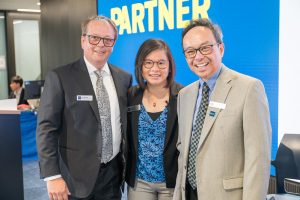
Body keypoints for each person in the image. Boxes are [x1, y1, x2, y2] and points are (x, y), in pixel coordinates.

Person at [173, 18, 271, 200]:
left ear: (221, 48)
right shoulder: (185, 95)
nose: (198, 57)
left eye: (205, 48)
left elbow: (258, 159)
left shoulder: (249, 88)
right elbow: (184, 153)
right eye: (190, 51)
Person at [36, 15, 132, 200]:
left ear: (113, 44)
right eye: (94, 37)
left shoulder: (123, 79)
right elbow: (46, 129)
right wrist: (52, 176)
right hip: (73, 179)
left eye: (108, 40)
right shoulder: (60, 77)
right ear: (83, 40)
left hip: (112, 176)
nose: (100, 44)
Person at [126, 39, 183, 200]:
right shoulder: (131, 95)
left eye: (161, 63)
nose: (155, 69)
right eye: (148, 63)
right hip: (140, 182)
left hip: (171, 182)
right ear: (140, 66)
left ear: (170, 66)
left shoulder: (183, 95)